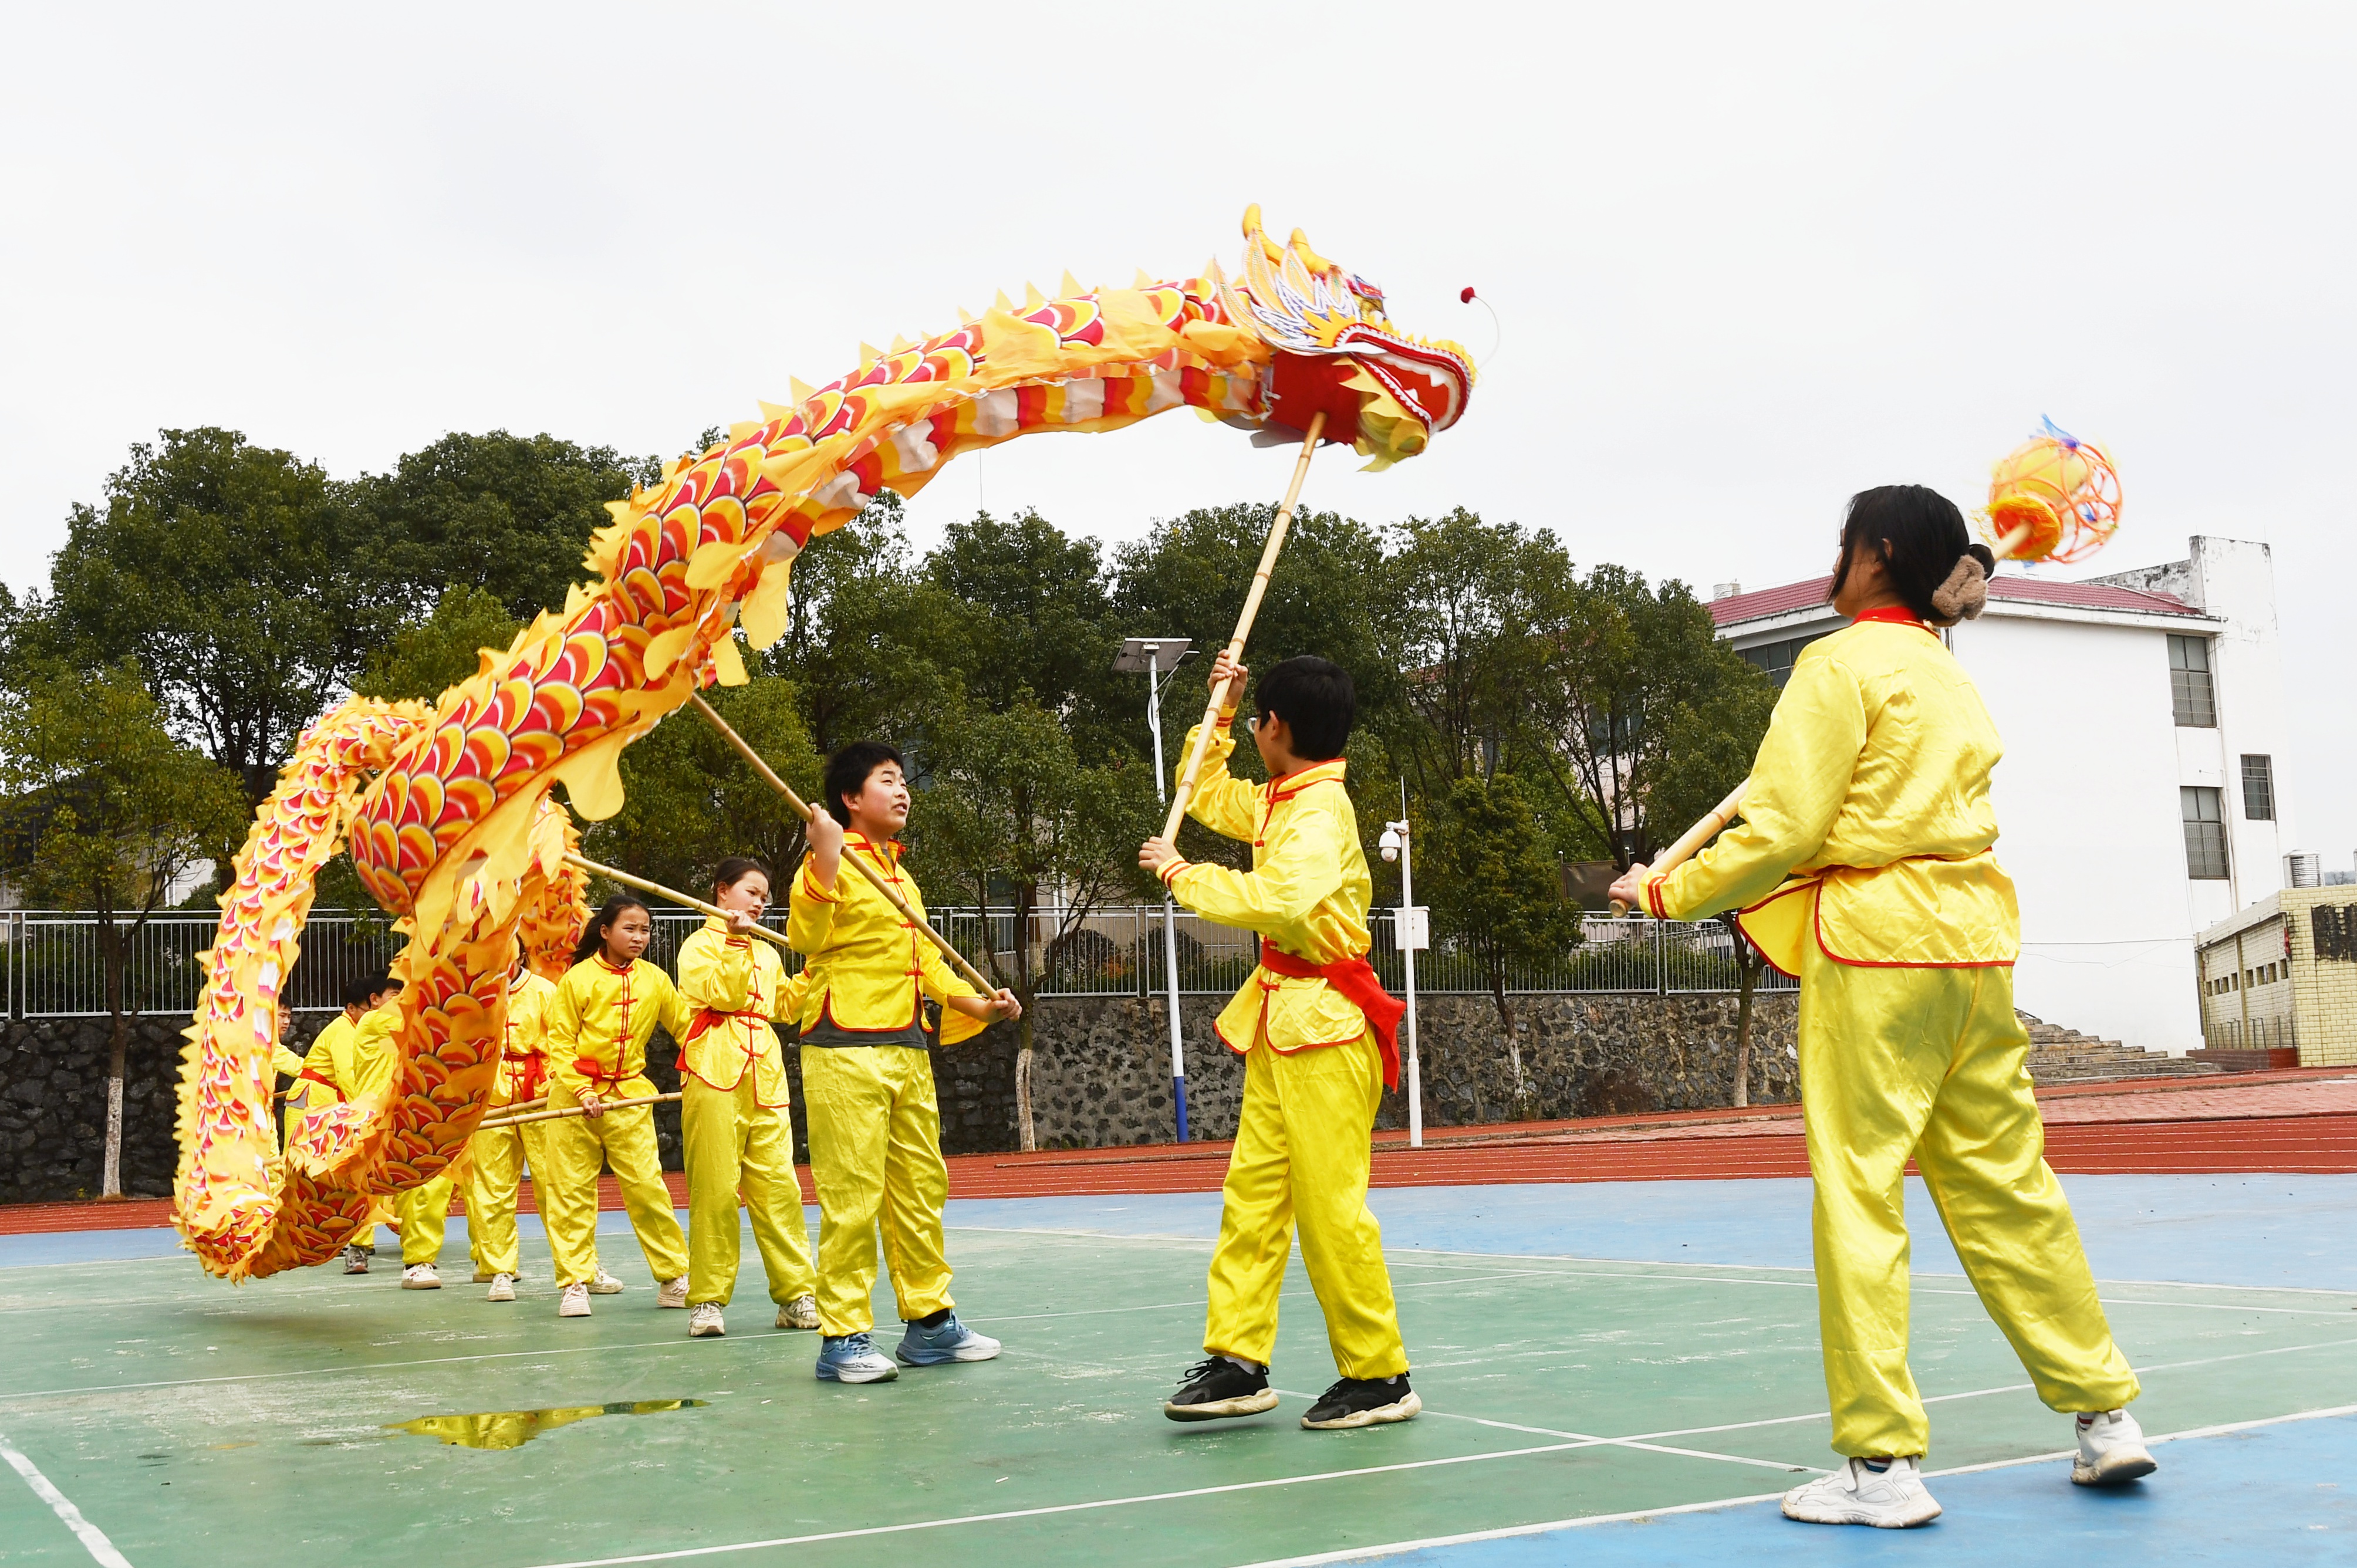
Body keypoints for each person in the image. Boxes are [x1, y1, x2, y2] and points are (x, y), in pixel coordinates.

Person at [1609, 485, 2154, 1529]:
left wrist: (1666, 890)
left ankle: (1881, 1465)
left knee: (1860, 1192)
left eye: (1845, 541)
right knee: (2010, 1184)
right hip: (1975, 943)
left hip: (1877, 946)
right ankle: (2105, 1412)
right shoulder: (1946, 677)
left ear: (1879, 554)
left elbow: (1781, 823)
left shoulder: (1840, 662)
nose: (1836, 557)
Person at [1139, 653, 1417, 1432]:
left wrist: (1181, 876)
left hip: (1326, 1027)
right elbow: (1206, 794)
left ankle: (1379, 1375)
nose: (1255, 728)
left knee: (1331, 1210)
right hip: (1283, 1023)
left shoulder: (1319, 813)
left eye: (1257, 718)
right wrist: (1220, 715)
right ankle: (1238, 1361)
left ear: (1281, 729)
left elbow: (1282, 896)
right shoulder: (1286, 799)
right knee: (1253, 1199)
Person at [788, 740, 1021, 1383]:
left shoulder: (901, 876)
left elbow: (927, 964)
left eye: (902, 780)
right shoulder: (828, 861)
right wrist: (825, 856)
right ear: (850, 798)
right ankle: (844, 1336)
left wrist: (977, 1003)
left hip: (906, 1046)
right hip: (843, 1045)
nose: (901, 789)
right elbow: (805, 938)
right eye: (886, 779)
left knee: (920, 1189)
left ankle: (929, 1324)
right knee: (852, 1196)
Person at [675, 856, 820, 1338]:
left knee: (781, 1190)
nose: (760, 903)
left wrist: (817, 971)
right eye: (752, 893)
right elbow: (724, 997)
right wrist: (736, 942)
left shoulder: (768, 952)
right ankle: (708, 1300)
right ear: (722, 892)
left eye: (764, 897)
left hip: (765, 1075)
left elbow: (781, 1006)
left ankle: (796, 1294)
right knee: (715, 1191)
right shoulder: (697, 947)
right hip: (714, 1071)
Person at [541, 895, 695, 1320]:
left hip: (630, 1096)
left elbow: (686, 1027)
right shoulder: (576, 980)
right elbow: (560, 1044)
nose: (639, 937)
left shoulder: (656, 980)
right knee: (570, 1190)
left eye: (645, 930)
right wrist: (580, 1090)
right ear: (605, 931)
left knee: (648, 1187)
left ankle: (673, 1277)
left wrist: (705, 1065)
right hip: (574, 1102)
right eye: (629, 928)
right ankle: (574, 1281)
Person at [460, 954, 560, 1303]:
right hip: (490, 1098)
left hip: (541, 1098)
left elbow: (564, 1041)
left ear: (519, 953)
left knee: (558, 1184)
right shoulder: (471, 996)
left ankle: (579, 1268)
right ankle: (499, 1270)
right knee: (493, 1188)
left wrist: (558, 1081)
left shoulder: (545, 990)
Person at [291, 972, 404, 1274]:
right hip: (321, 1108)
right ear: (365, 1005)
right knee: (315, 1175)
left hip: (348, 1106)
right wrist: (364, 1112)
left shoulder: (380, 1028)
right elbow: (348, 1076)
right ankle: (329, 1239)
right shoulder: (347, 1030)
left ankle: (368, 1232)